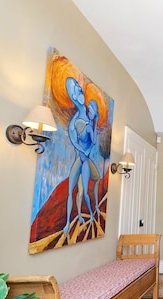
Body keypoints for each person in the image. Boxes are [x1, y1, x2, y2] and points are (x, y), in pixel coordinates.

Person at [63, 77, 100, 236]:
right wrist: (84, 151)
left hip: (86, 159)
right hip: (81, 158)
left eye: (78, 85)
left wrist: (96, 119)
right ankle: (68, 223)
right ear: (73, 97)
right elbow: (74, 142)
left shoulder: (89, 117)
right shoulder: (73, 123)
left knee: (84, 190)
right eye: (75, 89)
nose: (79, 88)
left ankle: (92, 213)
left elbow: (92, 142)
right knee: (71, 190)